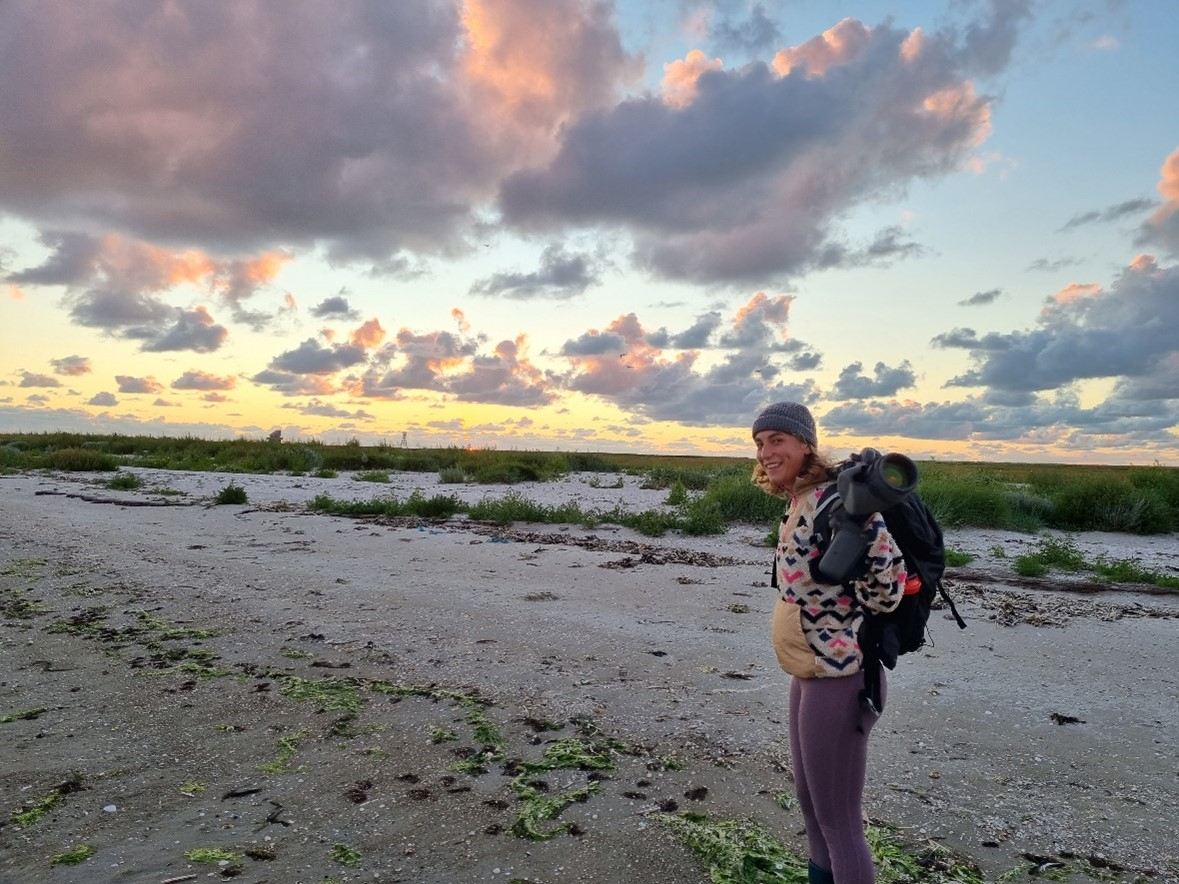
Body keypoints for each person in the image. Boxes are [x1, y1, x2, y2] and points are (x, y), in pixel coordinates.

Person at [751, 402, 906, 884]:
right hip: (807, 671)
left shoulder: (840, 503)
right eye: (759, 443)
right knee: (813, 810)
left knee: (840, 822)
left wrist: (856, 543)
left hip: (839, 675)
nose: (766, 451)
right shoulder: (799, 499)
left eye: (777, 439)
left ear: (804, 444)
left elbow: (889, 591)